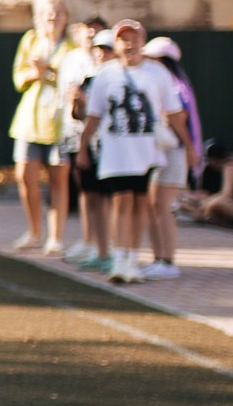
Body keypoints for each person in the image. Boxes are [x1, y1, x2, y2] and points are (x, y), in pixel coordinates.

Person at [74, 18, 190, 284]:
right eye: (124, 39)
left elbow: (173, 113)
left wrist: (190, 146)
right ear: (116, 44)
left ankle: (131, 257)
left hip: (146, 150)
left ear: (142, 41)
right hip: (116, 149)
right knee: (120, 200)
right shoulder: (106, 74)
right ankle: (119, 257)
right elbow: (94, 115)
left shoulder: (156, 73)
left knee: (140, 203)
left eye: (134, 39)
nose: (129, 44)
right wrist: (83, 148)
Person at [9, 0, 70, 253]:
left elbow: (72, 78)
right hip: (30, 120)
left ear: (66, 17)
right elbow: (19, 77)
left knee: (58, 179)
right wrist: (37, 73)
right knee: (24, 175)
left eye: (58, 12)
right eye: (48, 13)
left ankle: (55, 237)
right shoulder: (31, 40)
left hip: (59, 122)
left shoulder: (72, 46)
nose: (52, 17)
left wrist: (49, 71)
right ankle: (34, 231)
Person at [142, 36, 201, 266]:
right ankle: (159, 258)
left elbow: (178, 118)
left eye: (152, 58)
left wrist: (189, 148)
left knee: (163, 206)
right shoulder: (165, 83)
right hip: (159, 150)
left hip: (171, 151)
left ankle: (166, 260)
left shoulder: (173, 86)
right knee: (153, 206)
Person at [60, 22, 111, 268]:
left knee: (108, 199)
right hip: (86, 142)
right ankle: (91, 243)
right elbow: (79, 115)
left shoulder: (117, 77)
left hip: (110, 146)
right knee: (88, 194)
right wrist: (77, 101)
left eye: (107, 48)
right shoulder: (88, 77)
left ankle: (110, 248)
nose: (102, 53)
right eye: (99, 48)